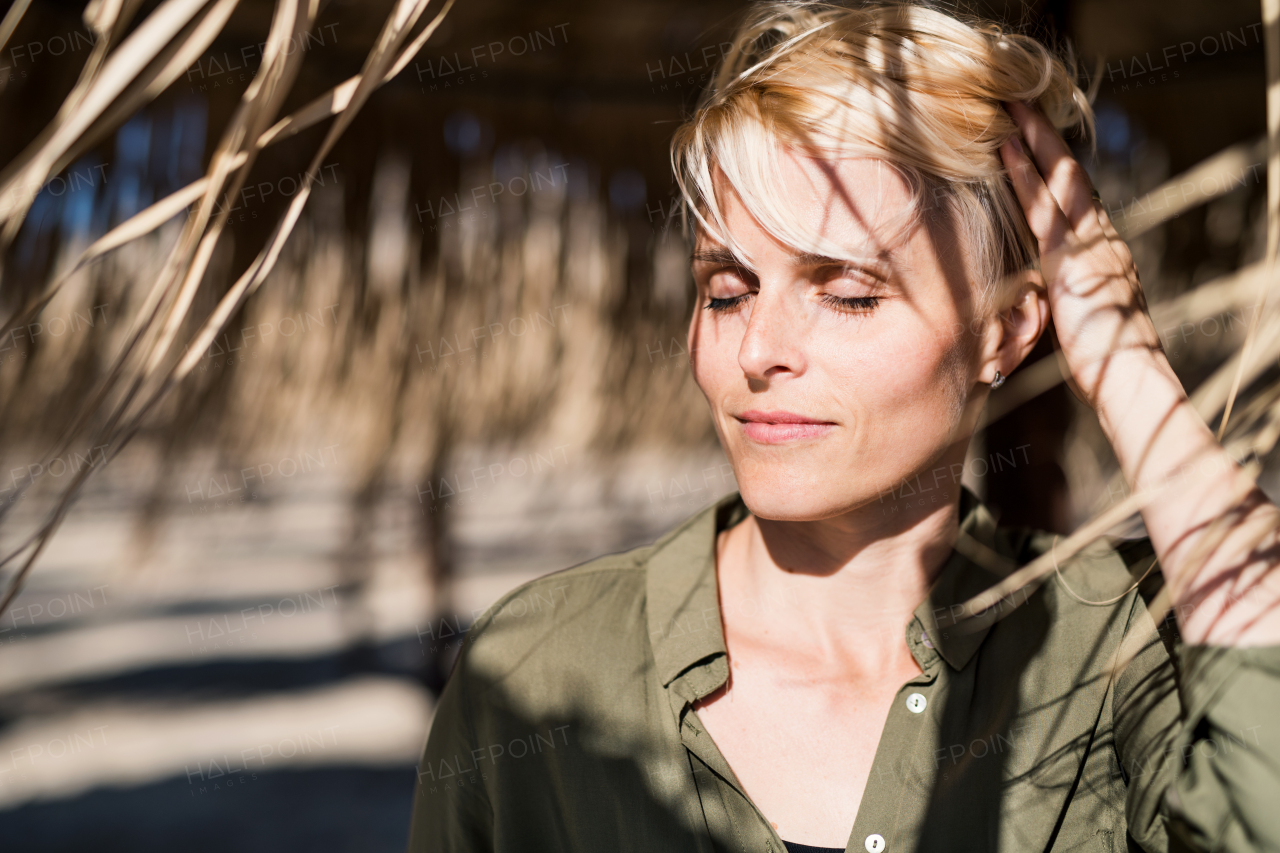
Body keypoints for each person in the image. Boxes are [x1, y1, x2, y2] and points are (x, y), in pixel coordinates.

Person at [407, 3, 1280, 851]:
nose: (759, 348)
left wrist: (1127, 362)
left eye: (849, 294)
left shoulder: (1123, 642)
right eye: (727, 290)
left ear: (1008, 329)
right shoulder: (540, 665)